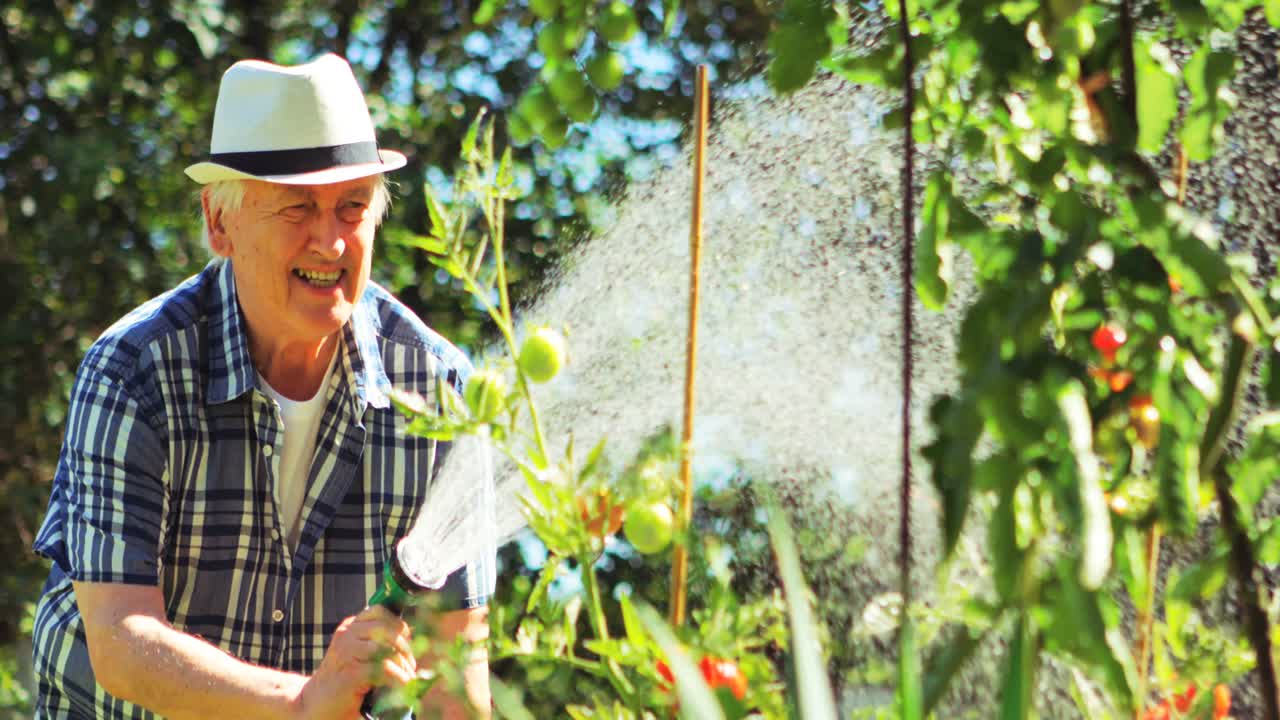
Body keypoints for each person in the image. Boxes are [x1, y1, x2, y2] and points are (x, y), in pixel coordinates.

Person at [29, 54, 496, 719]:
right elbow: (120, 641)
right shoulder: (134, 373)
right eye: (298, 208)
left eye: (352, 207)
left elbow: (458, 679)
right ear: (221, 225)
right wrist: (304, 703)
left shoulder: (441, 392)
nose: (330, 242)